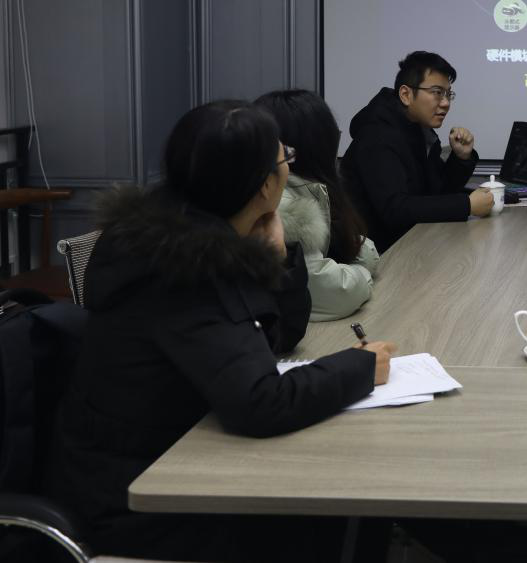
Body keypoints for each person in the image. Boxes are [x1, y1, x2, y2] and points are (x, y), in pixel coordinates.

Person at [43, 101, 397, 561]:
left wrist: (277, 258)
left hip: (162, 459)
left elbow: (277, 338)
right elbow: (261, 403)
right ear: (264, 184)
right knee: (344, 506)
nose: (290, 164)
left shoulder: (188, 233)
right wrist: (360, 366)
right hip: (141, 501)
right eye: (285, 157)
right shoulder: (184, 269)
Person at [341, 50, 493, 253]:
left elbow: (436, 192)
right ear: (406, 95)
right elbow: (395, 209)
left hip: (413, 244)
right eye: (437, 92)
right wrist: (466, 205)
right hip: (378, 257)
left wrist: (461, 158)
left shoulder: (417, 129)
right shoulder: (377, 136)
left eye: (448, 94)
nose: (446, 103)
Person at [256, 89, 380, 321]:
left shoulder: (309, 186)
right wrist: (362, 273)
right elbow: (336, 293)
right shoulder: (284, 203)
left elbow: (357, 246)